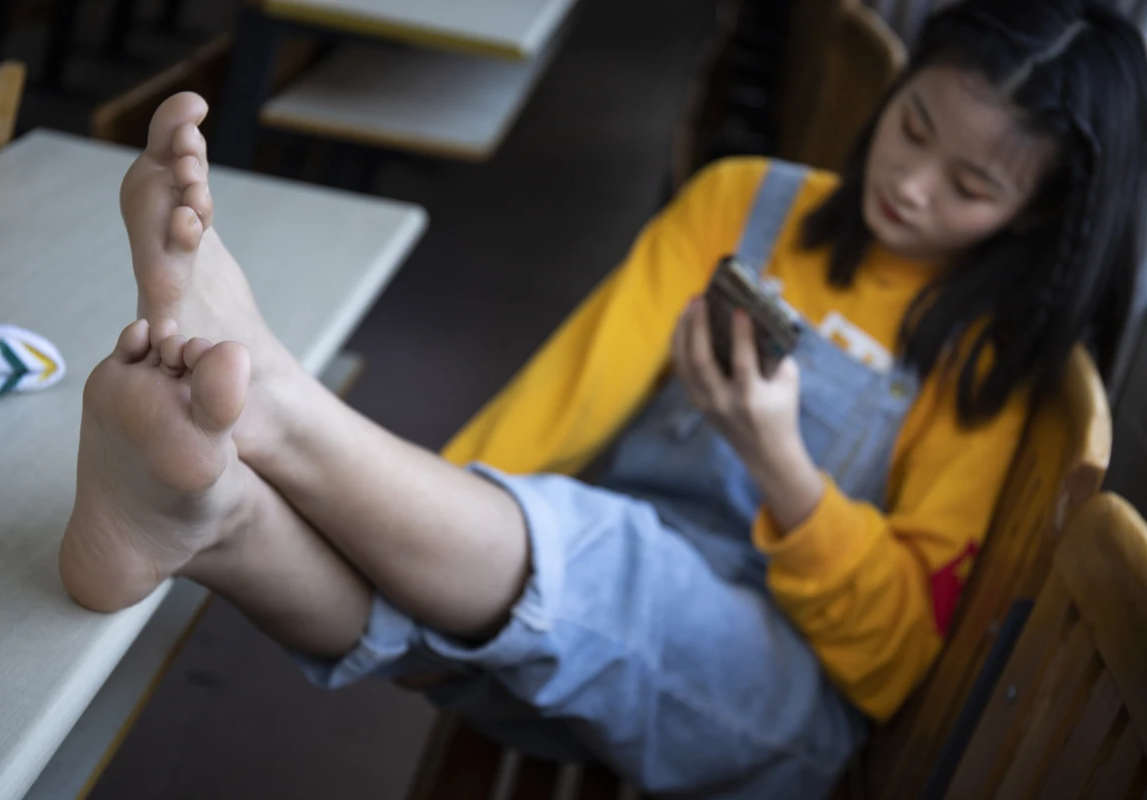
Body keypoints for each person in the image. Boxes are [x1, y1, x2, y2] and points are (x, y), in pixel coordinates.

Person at [58, 0, 1147, 796]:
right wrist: (407, 515)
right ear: (896, 92)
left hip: (779, 707)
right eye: (915, 129)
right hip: (558, 594)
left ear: (1037, 218)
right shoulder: (745, 201)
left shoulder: (990, 369)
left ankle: (275, 402)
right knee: (501, 593)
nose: (912, 184)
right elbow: (563, 399)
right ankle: (212, 519)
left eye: (972, 185)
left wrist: (784, 470)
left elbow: (899, 660)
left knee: (606, 563)